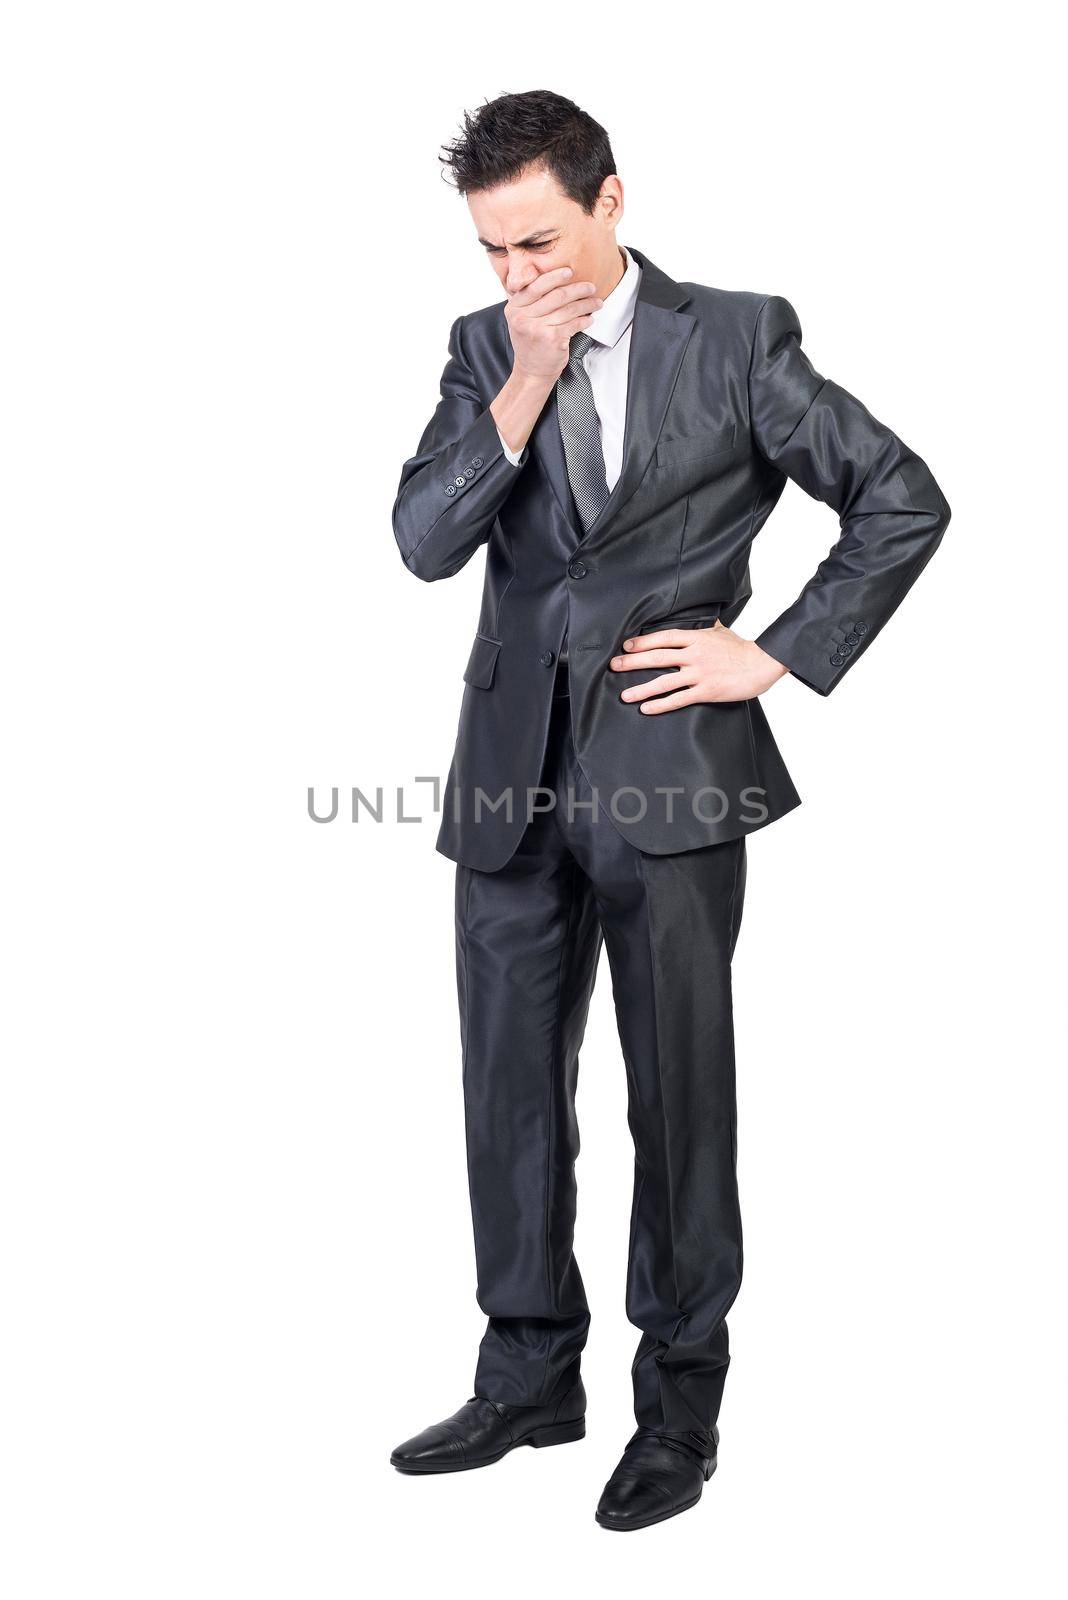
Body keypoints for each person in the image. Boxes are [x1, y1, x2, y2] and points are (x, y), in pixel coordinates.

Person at [388, 89, 949, 1531]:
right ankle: (528, 1376)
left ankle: (679, 1405)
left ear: (612, 202)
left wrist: (776, 652)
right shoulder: (479, 354)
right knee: (508, 1094)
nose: (517, 275)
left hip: (673, 779)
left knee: (677, 1099)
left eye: (538, 241)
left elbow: (899, 497)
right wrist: (520, 378)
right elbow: (423, 542)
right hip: (508, 787)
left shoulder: (737, 337)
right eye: (491, 252)